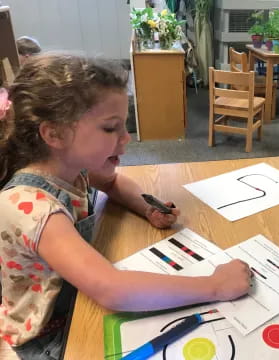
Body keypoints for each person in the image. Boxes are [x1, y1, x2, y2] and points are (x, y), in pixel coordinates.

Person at [0, 53, 251, 359]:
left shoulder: (69, 167)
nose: (126, 138)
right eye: (110, 128)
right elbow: (113, 289)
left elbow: (111, 182)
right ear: (54, 134)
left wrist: (145, 207)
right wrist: (215, 285)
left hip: (80, 302)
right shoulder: (31, 208)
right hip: (50, 336)